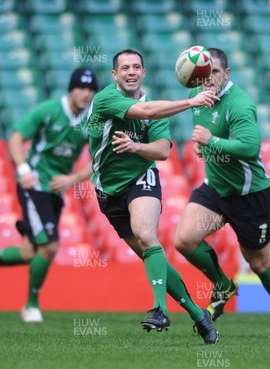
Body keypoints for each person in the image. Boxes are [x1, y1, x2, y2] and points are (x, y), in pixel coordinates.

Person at [87, 49, 219, 344]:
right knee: (151, 254)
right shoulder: (105, 99)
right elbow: (145, 113)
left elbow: (161, 150)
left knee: (147, 236)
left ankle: (160, 309)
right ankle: (198, 315)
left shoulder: (156, 107)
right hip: (108, 191)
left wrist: (136, 148)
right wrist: (191, 101)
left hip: (141, 179)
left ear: (143, 73)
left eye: (136, 67)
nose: (131, 71)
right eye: (125, 68)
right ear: (115, 75)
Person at [0, 68, 99, 323]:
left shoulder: (91, 121)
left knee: (29, 253)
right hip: (34, 186)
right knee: (51, 245)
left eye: (91, 89)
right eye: (82, 87)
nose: (86, 94)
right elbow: (16, 136)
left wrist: (73, 179)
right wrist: (23, 169)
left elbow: (100, 158)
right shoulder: (49, 111)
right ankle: (31, 305)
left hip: (54, 191)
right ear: (71, 89)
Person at [173, 48, 270, 339]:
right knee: (184, 240)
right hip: (216, 190)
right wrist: (201, 146)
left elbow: (250, 147)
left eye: (214, 71)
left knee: (259, 264)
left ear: (226, 74)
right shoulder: (199, 100)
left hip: (249, 195)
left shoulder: (240, 104)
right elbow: (205, 136)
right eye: (203, 73)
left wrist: (210, 140)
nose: (208, 78)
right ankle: (223, 285)